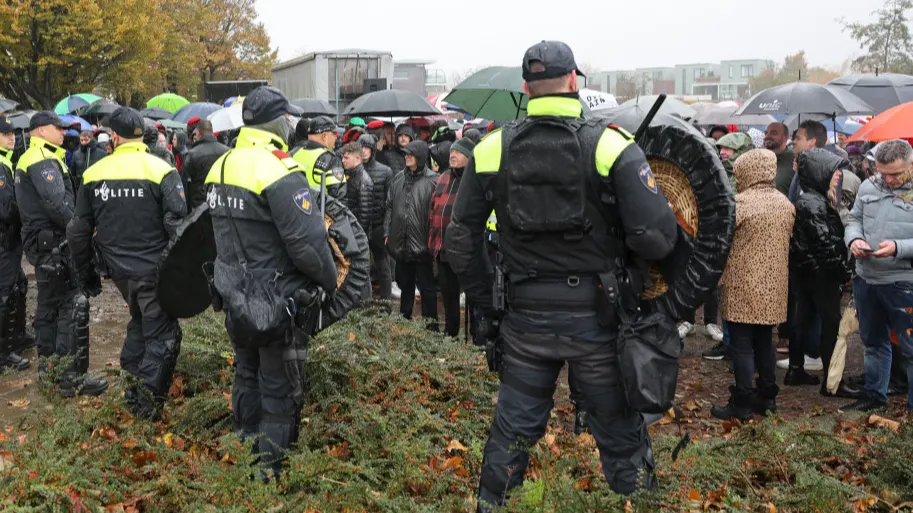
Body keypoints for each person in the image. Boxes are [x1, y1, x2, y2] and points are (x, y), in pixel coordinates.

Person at [445, 41, 679, 510]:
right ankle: (636, 502)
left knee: (512, 430)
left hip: (524, 321)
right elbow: (655, 238)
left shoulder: (491, 148)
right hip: (598, 321)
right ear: (574, 81)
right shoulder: (611, 145)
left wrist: (488, 306)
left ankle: (492, 504)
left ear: (525, 88)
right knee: (618, 431)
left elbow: (460, 239)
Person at [205, 86, 338, 475]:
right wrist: (330, 282)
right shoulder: (279, 169)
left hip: (234, 294)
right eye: (288, 117)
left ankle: (243, 454)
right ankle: (270, 471)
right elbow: (308, 247)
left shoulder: (223, 165)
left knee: (246, 375)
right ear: (278, 122)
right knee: (278, 386)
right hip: (275, 300)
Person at [67, 107, 188, 418]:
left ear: (116, 137)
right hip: (155, 271)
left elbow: (78, 231)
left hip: (119, 273)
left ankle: (133, 385)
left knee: (141, 320)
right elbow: (178, 227)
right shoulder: (162, 170)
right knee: (163, 334)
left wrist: (85, 275)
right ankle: (145, 407)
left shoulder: (94, 173)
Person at [15, 111, 108, 397]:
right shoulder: (42, 159)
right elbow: (58, 204)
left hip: (43, 246)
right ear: (40, 130)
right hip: (55, 245)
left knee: (49, 308)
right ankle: (71, 377)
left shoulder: (32, 156)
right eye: (58, 128)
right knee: (71, 307)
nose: (62, 132)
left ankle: (50, 371)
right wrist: (81, 231)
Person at [711, 149, 794, 420]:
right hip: (774, 286)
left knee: (742, 345)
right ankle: (767, 399)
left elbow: (721, 243)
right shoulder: (785, 203)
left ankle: (743, 402)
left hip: (743, 284)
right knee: (764, 342)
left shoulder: (740, 203)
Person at [842, 139, 913, 412]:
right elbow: (854, 220)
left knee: (910, 349)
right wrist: (854, 240)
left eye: (895, 173)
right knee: (872, 342)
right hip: (866, 278)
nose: (889, 180)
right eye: (882, 172)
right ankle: (874, 397)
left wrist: (898, 248)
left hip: (903, 282)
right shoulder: (869, 186)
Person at [785, 149, 857, 396]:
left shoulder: (809, 199)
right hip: (820, 276)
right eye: (833, 171)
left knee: (802, 321)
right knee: (831, 324)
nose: (838, 175)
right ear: (820, 173)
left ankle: (796, 370)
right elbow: (824, 243)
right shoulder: (814, 204)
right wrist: (843, 271)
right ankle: (832, 382)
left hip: (807, 273)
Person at [385, 139, 438, 328]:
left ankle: (431, 328)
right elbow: (390, 206)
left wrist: (433, 238)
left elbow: (437, 211)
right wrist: (387, 232)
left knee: (427, 288)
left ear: (421, 157)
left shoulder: (433, 180)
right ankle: (403, 322)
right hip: (400, 242)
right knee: (405, 284)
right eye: (405, 153)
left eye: (411, 154)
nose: (406, 156)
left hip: (423, 245)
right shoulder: (398, 178)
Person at [429, 138, 474, 338]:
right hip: (442, 247)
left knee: (471, 296)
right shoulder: (443, 177)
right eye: (451, 152)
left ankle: (475, 337)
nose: (452, 156)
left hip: (464, 249)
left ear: (468, 157)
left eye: (458, 153)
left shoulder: (473, 180)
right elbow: (433, 208)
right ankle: (451, 334)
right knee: (448, 297)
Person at [0, 115, 31, 371]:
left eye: (13, 133)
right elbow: (6, 208)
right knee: (5, 293)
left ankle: (17, 337)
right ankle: (3, 354)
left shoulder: (6, 162)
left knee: (19, 284)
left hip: (8, 239)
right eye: (6, 133)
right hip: (4, 239)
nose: (11, 137)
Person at [358, 133, 394, 299]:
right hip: (359, 225)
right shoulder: (353, 169)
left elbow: (390, 202)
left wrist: (387, 228)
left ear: (372, 150)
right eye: (361, 148)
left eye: (367, 148)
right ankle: (362, 301)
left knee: (383, 266)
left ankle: (386, 302)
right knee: (359, 266)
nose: (364, 151)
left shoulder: (385, 171)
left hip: (378, 225)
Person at [290, 116, 346, 201]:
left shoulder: (292, 154)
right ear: (324, 136)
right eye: (334, 134)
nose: (336, 137)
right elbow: (339, 199)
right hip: (319, 212)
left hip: (293, 212)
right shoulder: (330, 160)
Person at [181, 120, 229, 209]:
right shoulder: (227, 152)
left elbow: (184, 185)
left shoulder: (191, 155)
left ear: (198, 133)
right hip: (222, 204)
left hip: (198, 208)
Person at [339, 142, 375, 255]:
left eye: (346, 158)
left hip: (356, 236)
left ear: (357, 158)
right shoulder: (348, 175)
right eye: (342, 157)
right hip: (348, 231)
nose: (343, 161)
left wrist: (357, 236)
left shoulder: (363, 180)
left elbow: (365, 215)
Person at [763, 122, 795, 196]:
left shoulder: (795, 159)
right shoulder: (758, 157)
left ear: (785, 138)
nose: (767, 136)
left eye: (773, 133)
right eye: (766, 133)